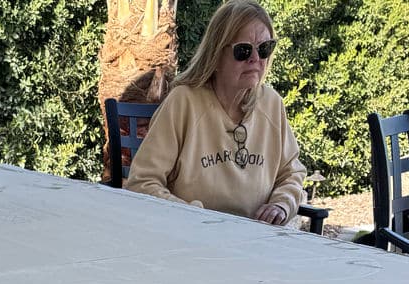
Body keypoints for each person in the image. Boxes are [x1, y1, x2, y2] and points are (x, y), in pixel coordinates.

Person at [125, 0, 305, 225]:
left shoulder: (272, 104)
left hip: (258, 239)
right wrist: (197, 219)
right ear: (216, 54)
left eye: (265, 48)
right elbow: (142, 183)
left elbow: (291, 172)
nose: (256, 59)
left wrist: (282, 204)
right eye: (243, 50)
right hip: (192, 237)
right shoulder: (184, 102)